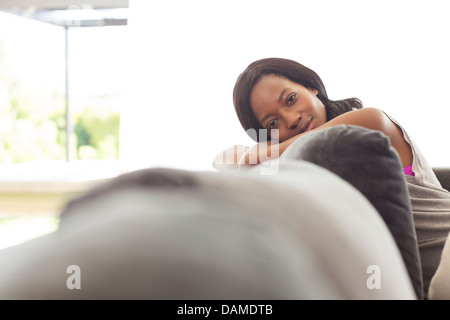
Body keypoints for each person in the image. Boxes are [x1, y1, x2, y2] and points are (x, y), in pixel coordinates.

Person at [222, 57, 450, 299]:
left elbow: (248, 158)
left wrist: (261, 153)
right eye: (273, 123)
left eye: (290, 99)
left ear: (312, 87)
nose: (291, 119)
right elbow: (229, 158)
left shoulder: (368, 122)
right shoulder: (307, 173)